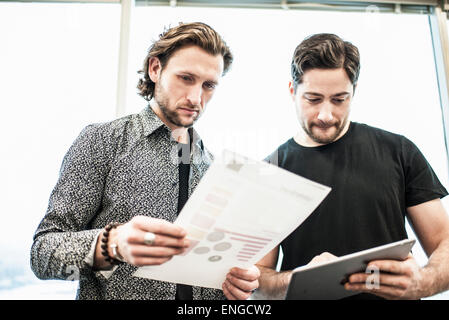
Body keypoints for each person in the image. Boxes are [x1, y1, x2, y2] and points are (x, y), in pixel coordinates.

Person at [30, 22, 259, 300]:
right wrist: (110, 245)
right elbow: (42, 257)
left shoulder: (213, 167)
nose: (196, 98)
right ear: (155, 69)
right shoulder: (103, 140)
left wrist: (234, 285)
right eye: (186, 78)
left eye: (208, 85)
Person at [256, 33, 449, 300]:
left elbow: (444, 243)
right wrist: (296, 280)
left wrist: (424, 282)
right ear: (292, 90)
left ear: (354, 92)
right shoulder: (268, 172)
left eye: (339, 99)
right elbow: (257, 278)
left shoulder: (399, 151)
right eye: (313, 99)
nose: (326, 115)